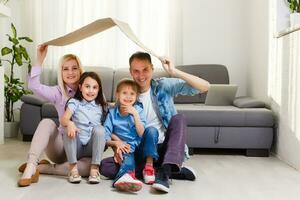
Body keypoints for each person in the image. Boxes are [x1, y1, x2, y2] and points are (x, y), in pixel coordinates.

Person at [100, 52, 210, 193]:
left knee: (179, 119)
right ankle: (170, 169)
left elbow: (205, 86)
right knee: (106, 166)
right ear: (130, 72)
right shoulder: (126, 96)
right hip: (139, 150)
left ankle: (164, 172)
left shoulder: (163, 86)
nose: (141, 76)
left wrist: (174, 71)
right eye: (136, 71)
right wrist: (117, 148)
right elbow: (115, 128)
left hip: (164, 148)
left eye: (145, 69)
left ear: (152, 68)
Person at [17, 45, 89, 187]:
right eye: (65, 68)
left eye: (74, 68)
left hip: (82, 149)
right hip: (61, 148)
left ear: (80, 70)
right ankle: (31, 165)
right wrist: (39, 60)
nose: (70, 72)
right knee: (47, 122)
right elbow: (34, 86)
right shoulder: (58, 92)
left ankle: (43, 168)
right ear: (60, 73)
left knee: (87, 168)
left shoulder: (91, 90)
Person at [104, 79, 157, 192]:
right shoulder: (112, 113)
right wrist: (117, 143)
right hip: (127, 148)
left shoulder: (138, 110)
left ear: (136, 96)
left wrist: (135, 115)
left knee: (152, 130)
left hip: (142, 149)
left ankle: (148, 168)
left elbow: (142, 133)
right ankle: (126, 177)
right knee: (104, 166)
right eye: (124, 93)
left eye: (132, 93)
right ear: (117, 94)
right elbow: (105, 137)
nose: (128, 97)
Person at [60, 72, 107, 184]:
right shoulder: (74, 102)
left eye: (94, 87)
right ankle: (73, 168)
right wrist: (70, 124)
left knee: (100, 128)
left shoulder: (102, 106)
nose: (91, 91)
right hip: (77, 146)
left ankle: (94, 169)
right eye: (87, 86)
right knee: (68, 128)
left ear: (99, 89)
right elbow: (63, 120)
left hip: (92, 147)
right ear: (80, 87)